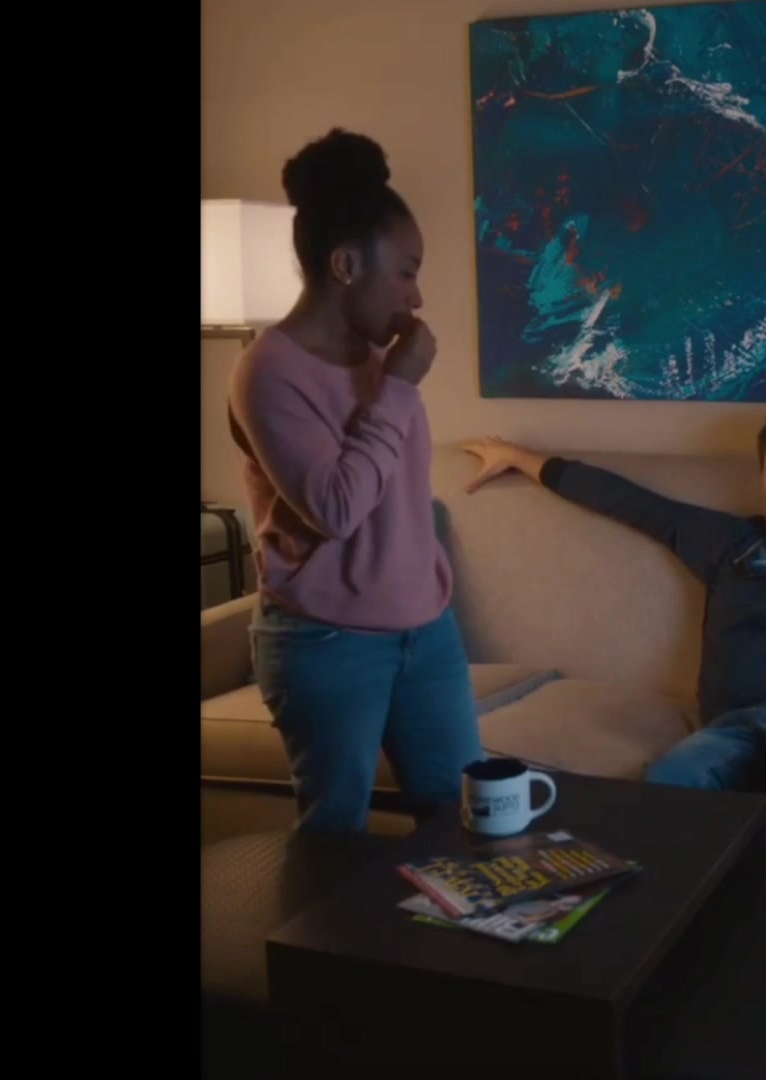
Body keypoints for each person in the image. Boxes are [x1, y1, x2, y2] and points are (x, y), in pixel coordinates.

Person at [462, 406, 766, 888]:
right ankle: (666, 926)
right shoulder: (728, 544)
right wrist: (519, 458)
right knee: (670, 778)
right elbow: (627, 501)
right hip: (738, 726)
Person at [227, 128, 482, 833]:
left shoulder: (377, 359)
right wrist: (398, 386)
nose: (416, 295)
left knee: (468, 822)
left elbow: (398, 496)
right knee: (334, 840)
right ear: (345, 264)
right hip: (327, 642)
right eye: (406, 271)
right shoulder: (267, 371)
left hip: (426, 631)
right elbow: (337, 509)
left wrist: (391, 380)